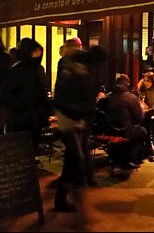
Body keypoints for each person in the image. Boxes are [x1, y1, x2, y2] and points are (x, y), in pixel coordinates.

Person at [52, 48, 102, 212]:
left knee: (74, 157)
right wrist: (78, 112)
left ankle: (66, 192)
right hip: (69, 118)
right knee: (75, 157)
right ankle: (62, 197)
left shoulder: (86, 71)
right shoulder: (71, 72)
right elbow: (61, 98)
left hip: (77, 117)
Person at [2, 38, 51, 154]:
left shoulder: (38, 69)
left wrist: (45, 111)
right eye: (34, 52)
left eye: (39, 52)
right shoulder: (16, 71)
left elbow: (41, 92)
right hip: (20, 117)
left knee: (32, 147)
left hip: (35, 117)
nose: (37, 55)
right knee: (20, 148)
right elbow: (6, 95)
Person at [103, 74, 148, 168]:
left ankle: (113, 156)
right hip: (124, 131)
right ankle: (132, 158)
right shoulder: (131, 98)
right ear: (127, 84)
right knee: (142, 131)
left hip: (107, 130)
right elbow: (138, 119)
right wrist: (142, 111)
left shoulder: (106, 97)